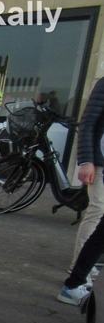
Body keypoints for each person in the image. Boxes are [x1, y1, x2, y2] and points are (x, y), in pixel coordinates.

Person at [58, 77, 104, 305]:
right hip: (100, 163)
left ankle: (83, 270)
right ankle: (78, 274)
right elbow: (88, 123)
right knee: (98, 211)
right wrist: (86, 161)